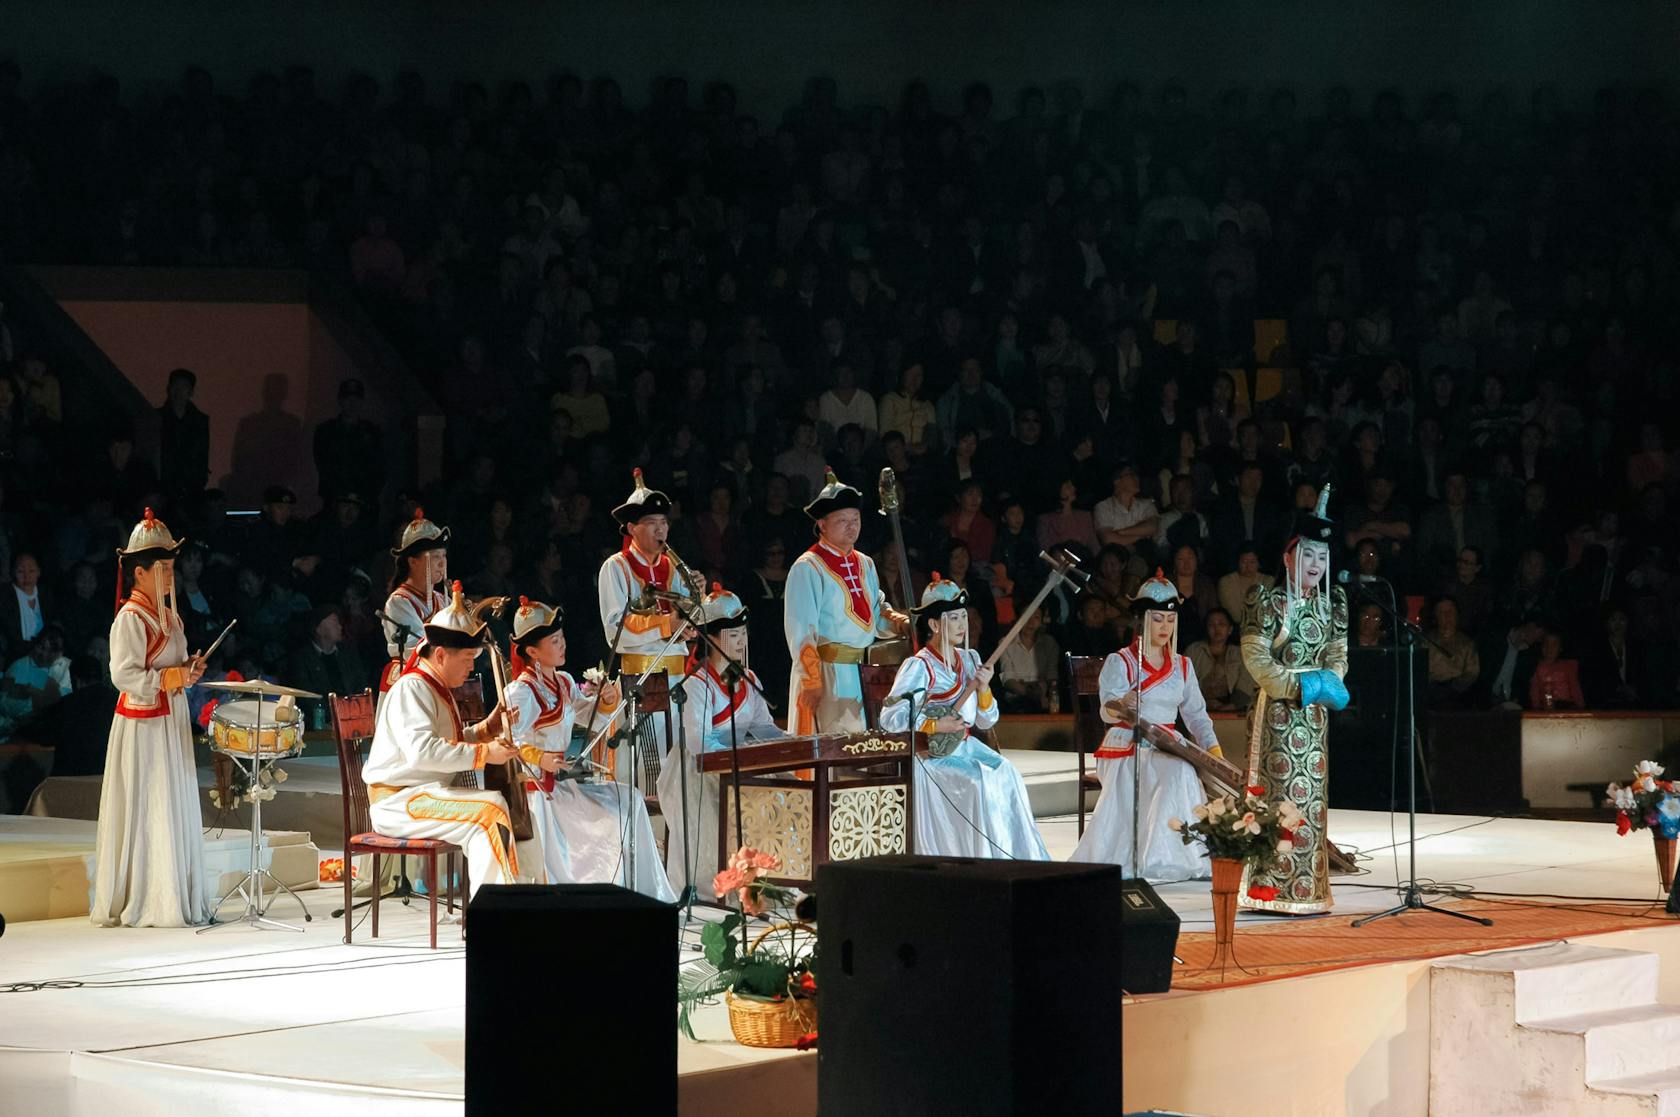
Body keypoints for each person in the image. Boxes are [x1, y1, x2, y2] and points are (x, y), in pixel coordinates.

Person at [363, 582, 548, 896]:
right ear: (439, 654)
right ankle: (497, 913)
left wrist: (486, 730)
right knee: (491, 808)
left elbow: (450, 741)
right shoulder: (412, 688)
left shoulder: (433, 686)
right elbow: (423, 752)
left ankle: (526, 899)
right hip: (399, 801)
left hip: (424, 795)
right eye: (466, 658)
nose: (472, 666)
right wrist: (484, 753)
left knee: (506, 818)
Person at [505, 596, 675, 900]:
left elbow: (592, 718)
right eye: (554, 641)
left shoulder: (564, 681)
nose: (562, 645)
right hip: (538, 795)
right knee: (610, 818)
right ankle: (605, 894)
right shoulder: (521, 692)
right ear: (532, 652)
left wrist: (608, 698)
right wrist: (540, 758)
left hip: (563, 786)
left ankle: (644, 892)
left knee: (630, 798)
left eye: (562, 638)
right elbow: (509, 742)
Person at [90, 509, 210, 927]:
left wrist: (188, 671)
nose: (170, 575)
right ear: (139, 573)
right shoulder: (130, 618)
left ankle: (171, 891)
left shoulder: (169, 615)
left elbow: (171, 670)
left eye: (172, 567)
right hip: (143, 726)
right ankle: (148, 896)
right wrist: (172, 676)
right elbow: (123, 674)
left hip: (169, 719)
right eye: (162, 568)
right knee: (149, 801)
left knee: (170, 798)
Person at [878, 575, 1047, 859]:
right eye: (953, 618)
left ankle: (1015, 858)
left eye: (962, 617)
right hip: (933, 756)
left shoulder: (971, 659)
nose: (961, 624)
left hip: (966, 746)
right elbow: (890, 716)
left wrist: (983, 688)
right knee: (976, 782)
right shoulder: (919, 665)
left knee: (1007, 773)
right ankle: (979, 860)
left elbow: (986, 721)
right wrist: (933, 724)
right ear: (934, 624)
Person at [1239, 486, 1349, 915]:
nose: (1316, 566)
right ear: (1288, 558)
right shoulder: (1267, 602)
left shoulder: (1332, 605)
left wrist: (1327, 683)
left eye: (1322, 557)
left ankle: (1307, 890)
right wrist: (1304, 686)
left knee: (1313, 800)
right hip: (1279, 714)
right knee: (1280, 794)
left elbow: (1338, 655)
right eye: (1308, 556)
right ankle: (1268, 888)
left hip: (1315, 718)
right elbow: (1256, 659)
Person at [1070, 569, 1219, 877]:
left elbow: (1196, 716)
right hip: (1127, 744)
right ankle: (1158, 860)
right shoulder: (1120, 661)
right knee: (1178, 771)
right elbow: (1106, 710)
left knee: (1183, 769)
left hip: (1167, 744)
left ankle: (1179, 856)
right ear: (1142, 620)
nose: (1164, 626)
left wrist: (1213, 752)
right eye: (1157, 619)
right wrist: (1122, 705)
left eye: (1169, 619)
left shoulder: (1183, 665)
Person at [661, 584, 786, 898]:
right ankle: (725, 884)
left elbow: (764, 730)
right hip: (698, 771)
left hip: (735, 762)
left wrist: (791, 742)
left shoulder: (750, 679)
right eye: (734, 634)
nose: (742, 640)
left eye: (743, 632)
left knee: (786, 783)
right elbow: (699, 743)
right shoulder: (697, 685)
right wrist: (741, 757)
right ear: (711, 638)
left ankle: (772, 878)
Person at [783, 469, 908, 734]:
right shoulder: (808, 567)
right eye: (842, 520)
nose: (852, 526)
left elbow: (877, 611)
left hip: (866, 673)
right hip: (829, 674)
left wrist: (902, 624)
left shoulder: (866, 563)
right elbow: (801, 631)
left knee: (866, 747)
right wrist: (812, 679)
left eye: (856, 519)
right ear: (822, 524)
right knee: (836, 748)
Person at [596, 469, 699, 786]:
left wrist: (693, 617)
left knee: (683, 763)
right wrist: (667, 623)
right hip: (641, 679)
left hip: (678, 678)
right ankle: (649, 833)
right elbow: (616, 629)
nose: (661, 529)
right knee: (647, 768)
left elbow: (687, 620)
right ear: (631, 528)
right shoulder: (616, 567)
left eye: (664, 522)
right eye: (652, 523)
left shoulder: (675, 567)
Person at [380, 508, 450, 693]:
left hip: (439, 680)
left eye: (443, 556)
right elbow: (418, 647)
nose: (442, 563)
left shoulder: (443, 599)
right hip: (410, 684)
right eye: (435, 557)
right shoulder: (399, 602)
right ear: (413, 561)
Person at [1186, 607, 1255, 712]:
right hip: (1196, 708)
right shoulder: (1194, 651)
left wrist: (1231, 706)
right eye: (1211, 625)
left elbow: (1246, 685)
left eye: (1221, 624)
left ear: (1230, 629)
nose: (1216, 629)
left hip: (1232, 709)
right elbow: (1185, 683)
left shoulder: (1239, 654)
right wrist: (1201, 703)